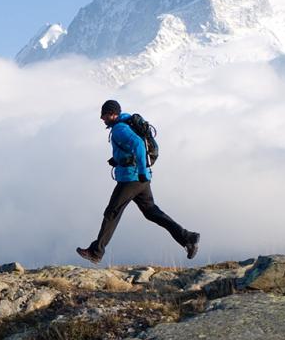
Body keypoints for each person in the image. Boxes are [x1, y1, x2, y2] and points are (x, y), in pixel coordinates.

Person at [76, 100, 201, 264]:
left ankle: (95, 252)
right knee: (151, 212)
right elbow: (131, 148)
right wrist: (117, 159)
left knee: (112, 213)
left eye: (105, 114)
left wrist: (141, 171)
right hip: (140, 179)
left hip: (132, 179)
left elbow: (138, 145)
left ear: (113, 114)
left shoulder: (119, 129)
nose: (102, 118)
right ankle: (188, 238)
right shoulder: (124, 124)